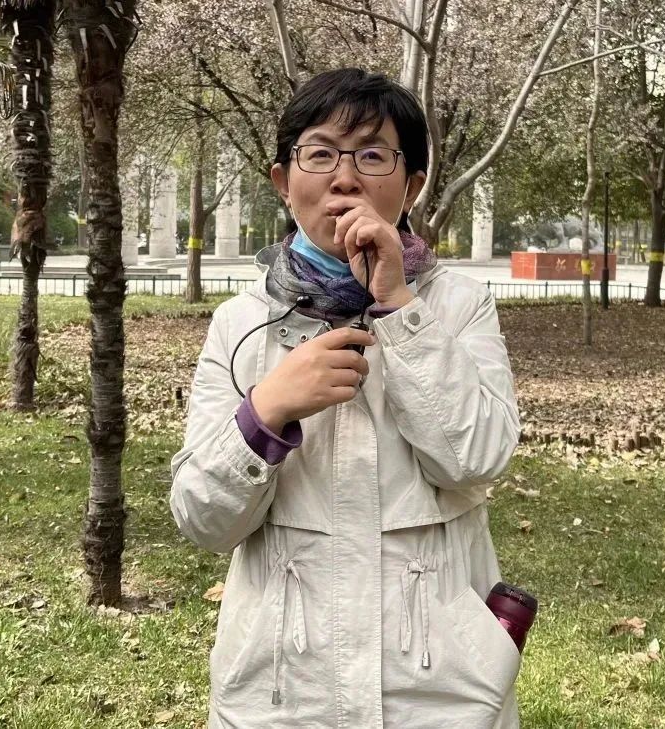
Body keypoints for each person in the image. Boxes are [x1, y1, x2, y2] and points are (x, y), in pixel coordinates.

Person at [170, 68, 522, 728]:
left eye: (372, 156)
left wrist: (400, 308)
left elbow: (476, 459)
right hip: (283, 695)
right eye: (321, 154)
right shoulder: (241, 326)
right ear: (283, 181)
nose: (345, 178)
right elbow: (205, 521)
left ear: (411, 186)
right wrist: (265, 411)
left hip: (438, 695)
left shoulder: (459, 306)